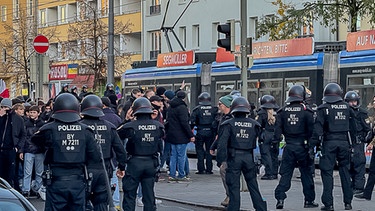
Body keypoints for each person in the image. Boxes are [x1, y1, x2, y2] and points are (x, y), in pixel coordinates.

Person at [31, 93, 101, 210]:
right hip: (78, 181)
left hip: (56, 181)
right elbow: (95, 156)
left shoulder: (49, 129)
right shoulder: (86, 130)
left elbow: (35, 140)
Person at [216, 97, 267, 211]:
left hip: (234, 158)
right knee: (253, 186)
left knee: (234, 187)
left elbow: (222, 144)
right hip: (249, 157)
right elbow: (263, 140)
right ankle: (260, 208)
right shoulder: (255, 124)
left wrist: (221, 161)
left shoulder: (228, 124)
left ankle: (234, 208)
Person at [311, 83, 356, 211]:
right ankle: (348, 202)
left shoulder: (323, 108)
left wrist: (312, 146)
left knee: (327, 173)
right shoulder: (347, 108)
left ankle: (328, 203)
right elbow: (353, 128)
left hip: (329, 143)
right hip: (344, 143)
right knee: (345, 173)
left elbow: (317, 130)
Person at [273, 85, 318, 209]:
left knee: (285, 174)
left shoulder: (282, 111)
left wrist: (275, 144)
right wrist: (311, 147)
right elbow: (312, 132)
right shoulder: (307, 111)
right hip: (303, 147)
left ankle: (280, 198)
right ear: (302, 96)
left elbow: (277, 132)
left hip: (289, 147)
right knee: (306, 175)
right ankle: (309, 201)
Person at [80, 95, 126, 210]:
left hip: (83, 169)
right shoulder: (109, 127)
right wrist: (122, 167)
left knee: (82, 203)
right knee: (101, 202)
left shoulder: (79, 127)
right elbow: (120, 149)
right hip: (104, 170)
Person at [117, 97, 164, 211]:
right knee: (149, 195)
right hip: (151, 163)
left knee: (130, 194)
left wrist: (127, 120)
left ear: (135, 111)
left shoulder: (130, 126)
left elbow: (116, 135)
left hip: (134, 162)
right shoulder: (159, 126)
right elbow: (160, 146)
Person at [344, 91, 371, 195]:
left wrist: (365, 139)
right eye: (350, 102)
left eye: (354, 101)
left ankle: (359, 187)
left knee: (359, 164)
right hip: (347, 142)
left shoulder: (362, 113)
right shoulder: (344, 112)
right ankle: (351, 185)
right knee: (348, 164)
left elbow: (368, 129)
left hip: (358, 142)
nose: (353, 104)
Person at [165, 91, 195, 182]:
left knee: (173, 155)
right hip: (181, 135)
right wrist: (191, 134)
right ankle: (181, 174)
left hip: (172, 134)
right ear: (184, 98)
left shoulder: (170, 107)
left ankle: (172, 174)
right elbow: (184, 123)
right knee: (181, 156)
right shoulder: (182, 107)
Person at [210, 94, 233, 207]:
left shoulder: (230, 119)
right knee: (225, 172)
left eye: (220, 104)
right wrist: (213, 146)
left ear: (227, 105)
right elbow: (219, 135)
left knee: (224, 171)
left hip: (230, 151)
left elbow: (223, 138)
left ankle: (230, 197)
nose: (218, 106)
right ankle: (230, 196)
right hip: (226, 150)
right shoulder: (223, 117)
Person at [0, 98, 26, 188]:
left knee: (11, 174)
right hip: (1, 149)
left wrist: (18, 147)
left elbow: (23, 134)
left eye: (6, 107)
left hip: (11, 149)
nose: (5, 109)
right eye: (2, 107)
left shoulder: (17, 119)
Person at [20, 105, 45, 198]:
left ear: (38, 113)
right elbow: (23, 138)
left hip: (38, 150)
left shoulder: (42, 124)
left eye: (34, 112)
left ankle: (37, 189)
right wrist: (21, 150)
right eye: (31, 112)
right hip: (29, 150)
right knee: (27, 172)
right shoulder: (26, 124)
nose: (32, 114)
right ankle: (26, 190)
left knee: (39, 172)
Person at [190, 92, 218, 174]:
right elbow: (217, 120)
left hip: (200, 131)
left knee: (199, 150)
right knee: (210, 150)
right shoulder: (214, 109)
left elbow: (192, 122)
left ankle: (201, 169)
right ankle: (209, 169)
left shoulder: (197, 109)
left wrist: (191, 133)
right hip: (210, 131)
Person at [256, 95, 279, 180]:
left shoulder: (261, 113)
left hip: (265, 135)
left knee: (266, 154)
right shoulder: (277, 113)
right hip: (276, 134)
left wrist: (258, 135)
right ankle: (275, 173)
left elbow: (258, 125)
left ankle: (268, 173)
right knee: (274, 155)